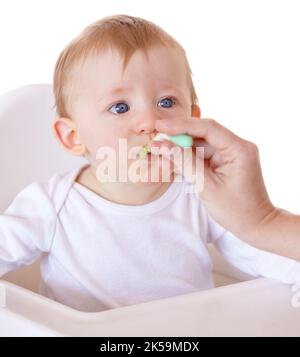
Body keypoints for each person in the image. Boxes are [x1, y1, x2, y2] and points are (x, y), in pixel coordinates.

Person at [0, 15, 299, 313]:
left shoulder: (202, 195)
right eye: (120, 107)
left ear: (193, 120)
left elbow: (268, 253)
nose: (149, 122)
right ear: (73, 137)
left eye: (167, 102)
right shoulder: (51, 205)